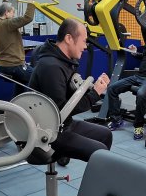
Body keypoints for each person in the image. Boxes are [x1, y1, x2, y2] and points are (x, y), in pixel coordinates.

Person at [29, 17, 112, 162]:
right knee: (100, 153)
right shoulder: (51, 67)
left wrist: (94, 87)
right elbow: (62, 110)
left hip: (64, 124)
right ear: (69, 38)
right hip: (49, 133)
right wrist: (95, 94)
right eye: (83, 41)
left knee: (106, 135)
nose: (85, 46)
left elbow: (72, 94)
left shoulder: (65, 62)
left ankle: (95, 173)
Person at [106, 29, 146, 140]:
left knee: (141, 94)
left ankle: (138, 126)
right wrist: (135, 52)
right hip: (139, 76)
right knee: (112, 88)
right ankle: (116, 119)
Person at [0, 0, 36, 97]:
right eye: (13, 12)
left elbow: (3, 6)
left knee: (20, 82)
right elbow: (28, 17)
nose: (13, 15)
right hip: (14, 66)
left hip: (3, 66)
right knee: (39, 76)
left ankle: (16, 104)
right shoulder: (8, 23)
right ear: (6, 13)